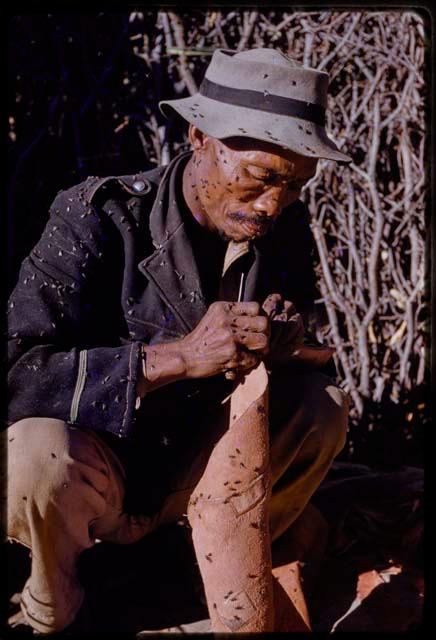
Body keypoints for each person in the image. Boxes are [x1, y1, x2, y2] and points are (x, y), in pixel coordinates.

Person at [7, 47, 351, 634]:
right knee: (33, 454)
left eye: (294, 186)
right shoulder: (97, 216)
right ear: (198, 136)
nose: (273, 204)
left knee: (324, 408)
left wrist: (288, 345)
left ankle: (201, 571)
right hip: (99, 475)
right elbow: (18, 375)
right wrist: (177, 358)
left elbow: (306, 358)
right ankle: (53, 597)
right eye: (260, 177)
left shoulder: (278, 231)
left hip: (194, 475)